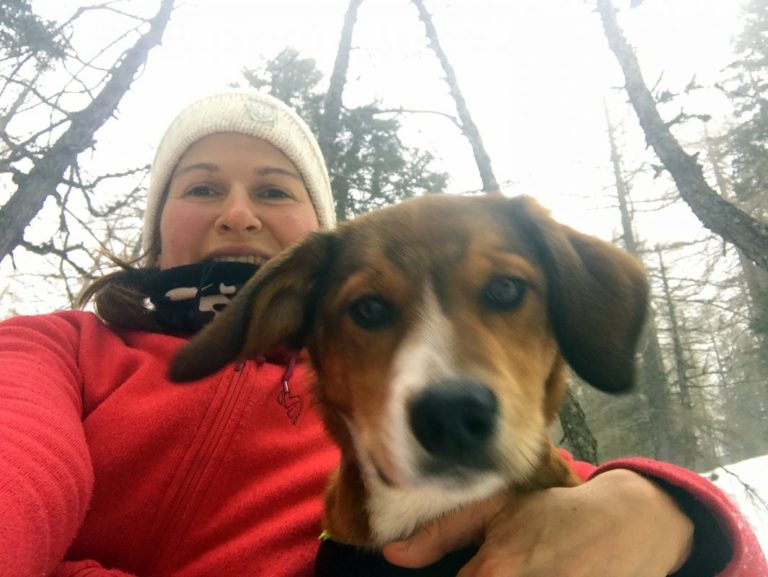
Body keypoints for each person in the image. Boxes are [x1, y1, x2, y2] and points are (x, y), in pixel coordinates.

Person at [0, 91, 764, 577]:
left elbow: (692, 546)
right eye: (203, 186)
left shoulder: (411, 428)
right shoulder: (55, 348)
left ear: (316, 235)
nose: (239, 211)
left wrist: (675, 517)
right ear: (157, 225)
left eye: (274, 189)